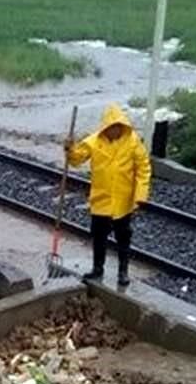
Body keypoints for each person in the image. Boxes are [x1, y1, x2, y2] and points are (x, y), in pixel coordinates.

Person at [65, 104, 152, 286]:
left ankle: (123, 271)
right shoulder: (94, 141)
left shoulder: (133, 142)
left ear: (122, 126)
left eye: (117, 126)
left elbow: (143, 168)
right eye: (111, 127)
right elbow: (77, 159)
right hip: (101, 199)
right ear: (105, 128)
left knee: (123, 237)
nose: (114, 130)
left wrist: (140, 195)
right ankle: (98, 268)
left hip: (123, 200)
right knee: (98, 236)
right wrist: (70, 150)